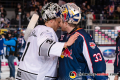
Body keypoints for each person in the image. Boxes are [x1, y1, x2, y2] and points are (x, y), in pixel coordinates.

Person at [16, 2, 79, 80]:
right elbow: (44, 46)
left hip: (24, 72)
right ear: (51, 20)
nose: (59, 25)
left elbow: (27, 38)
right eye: (58, 22)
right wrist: (66, 44)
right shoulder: (47, 31)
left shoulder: (36, 29)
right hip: (36, 75)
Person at [58, 3, 108, 80]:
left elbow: (97, 64)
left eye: (61, 18)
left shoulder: (83, 37)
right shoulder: (62, 38)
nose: (59, 21)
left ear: (66, 22)